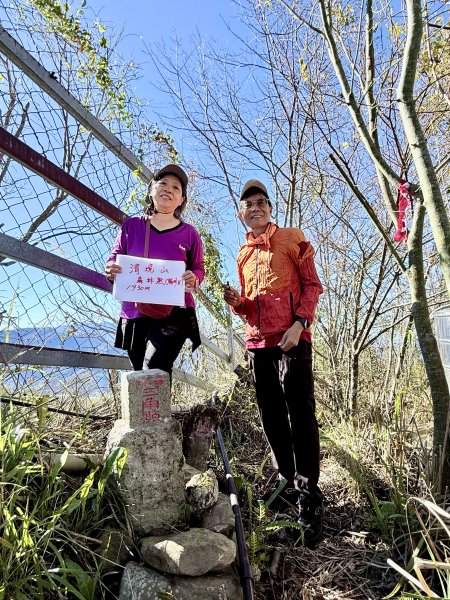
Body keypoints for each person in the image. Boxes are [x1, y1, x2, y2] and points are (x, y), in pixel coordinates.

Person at [224, 179, 324, 545]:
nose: (256, 207)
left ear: (270, 208)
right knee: (271, 417)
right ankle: (288, 484)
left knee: (300, 414)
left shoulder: (292, 237)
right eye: (249, 204)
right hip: (257, 344)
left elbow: (312, 285)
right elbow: (250, 306)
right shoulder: (243, 255)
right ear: (241, 213)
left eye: (261, 202)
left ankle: (310, 498)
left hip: (292, 339)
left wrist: (300, 324)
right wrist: (237, 301)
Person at [105, 164, 205, 375]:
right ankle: (152, 410)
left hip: (174, 311)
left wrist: (193, 277)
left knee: (155, 365)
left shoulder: (189, 234)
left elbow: (198, 268)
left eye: (176, 188)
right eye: (163, 183)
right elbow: (115, 256)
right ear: (152, 191)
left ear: (182, 200)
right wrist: (112, 269)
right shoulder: (131, 226)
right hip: (135, 310)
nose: (168, 189)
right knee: (140, 374)